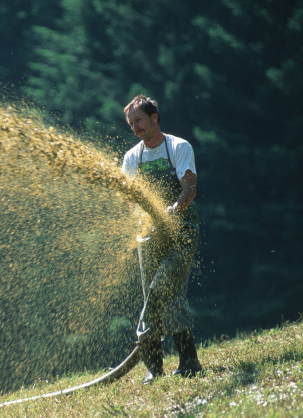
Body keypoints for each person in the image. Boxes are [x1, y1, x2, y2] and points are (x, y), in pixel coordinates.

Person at [121, 94, 202, 383]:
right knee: (163, 297)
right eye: (131, 123)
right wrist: (145, 222)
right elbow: (130, 200)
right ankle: (159, 369)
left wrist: (172, 211)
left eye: (139, 120)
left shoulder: (178, 147)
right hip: (149, 237)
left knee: (160, 290)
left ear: (155, 117)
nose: (135, 127)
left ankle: (184, 360)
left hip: (181, 232)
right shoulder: (132, 157)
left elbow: (189, 188)